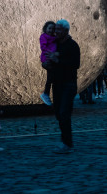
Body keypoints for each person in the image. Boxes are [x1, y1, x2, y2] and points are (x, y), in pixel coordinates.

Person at [50, 19, 80, 154]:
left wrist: (59, 61)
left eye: (59, 30)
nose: (56, 32)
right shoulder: (54, 44)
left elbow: (76, 64)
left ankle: (67, 143)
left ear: (66, 31)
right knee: (58, 113)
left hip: (69, 83)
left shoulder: (73, 45)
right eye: (55, 29)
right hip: (56, 83)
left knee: (64, 113)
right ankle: (66, 141)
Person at [39, 21, 56, 106]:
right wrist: (51, 54)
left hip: (53, 59)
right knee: (51, 76)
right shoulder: (43, 36)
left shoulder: (55, 38)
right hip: (47, 59)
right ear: (45, 28)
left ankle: (47, 94)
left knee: (51, 77)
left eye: (53, 29)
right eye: (49, 28)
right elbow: (43, 47)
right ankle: (46, 94)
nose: (51, 30)